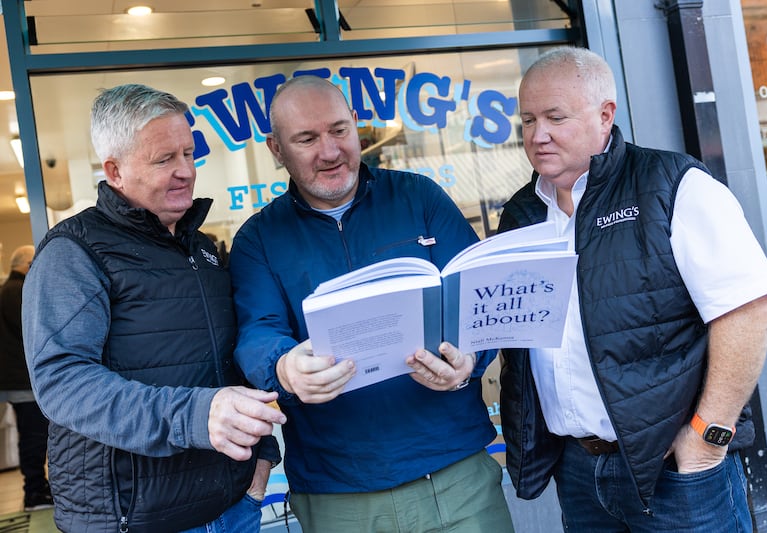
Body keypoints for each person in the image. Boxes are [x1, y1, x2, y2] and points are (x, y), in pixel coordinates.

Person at [497, 46, 767, 531]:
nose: (537, 135)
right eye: (527, 120)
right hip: (579, 469)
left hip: (676, 471)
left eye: (555, 117)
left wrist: (707, 438)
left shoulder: (673, 185)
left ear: (605, 115)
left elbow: (749, 309)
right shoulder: (522, 213)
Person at [229, 75, 513, 533]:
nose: (330, 151)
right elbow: (255, 332)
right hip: (338, 492)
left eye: (339, 130)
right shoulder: (257, 239)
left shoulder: (419, 197)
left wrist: (470, 361)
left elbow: (477, 297)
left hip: (456, 473)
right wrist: (283, 368)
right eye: (306, 138)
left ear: (356, 125)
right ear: (276, 150)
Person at [21, 84, 286, 533]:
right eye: (165, 160)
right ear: (115, 171)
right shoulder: (74, 252)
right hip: (131, 522)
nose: (186, 171)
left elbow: (228, 361)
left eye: (188, 153)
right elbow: (61, 382)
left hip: (233, 510)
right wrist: (195, 415)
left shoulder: (200, 248)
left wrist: (261, 465)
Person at [0, 244, 53, 511]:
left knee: (31, 435)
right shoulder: (18, 291)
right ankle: (34, 492)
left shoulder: (6, 291)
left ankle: (37, 489)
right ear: (27, 264)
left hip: (15, 380)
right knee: (34, 437)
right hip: (23, 381)